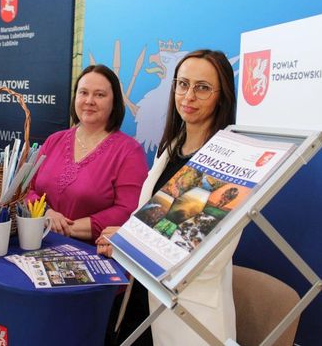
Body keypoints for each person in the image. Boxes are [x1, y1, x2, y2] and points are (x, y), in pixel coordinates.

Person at [97, 50, 239, 345]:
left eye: (202, 87)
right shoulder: (171, 148)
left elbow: (211, 258)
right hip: (143, 297)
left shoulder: (228, 163)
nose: (189, 96)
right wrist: (127, 235)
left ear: (221, 97)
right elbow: (154, 216)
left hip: (188, 314)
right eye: (183, 84)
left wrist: (132, 247)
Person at [27, 64, 148, 243]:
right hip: (36, 241)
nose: (89, 101)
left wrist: (69, 228)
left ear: (114, 103)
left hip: (91, 250)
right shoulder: (54, 140)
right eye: (83, 92)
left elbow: (127, 210)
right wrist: (45, 213)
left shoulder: (129, 152)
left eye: (100, 95)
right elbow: (26, 190)